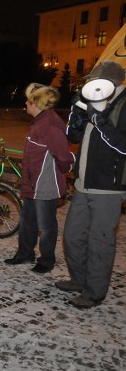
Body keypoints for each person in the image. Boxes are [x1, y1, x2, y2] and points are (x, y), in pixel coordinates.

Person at [57, 61, 126, 308]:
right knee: (73, 235)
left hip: (109, 187)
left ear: (111, 83)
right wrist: (77, 116)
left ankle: (94, 292)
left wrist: (99, 118)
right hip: (84, 184)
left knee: (100, 241)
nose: (89, 85)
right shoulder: (91, 102)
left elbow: (122, 145)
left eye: (93, 81)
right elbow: (73, 137)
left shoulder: (123, 106)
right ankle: (79, 279)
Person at [3, 83, 75, 273]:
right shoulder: (40, 121)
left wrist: (62, 174)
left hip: (45, 182)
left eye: (28, 100)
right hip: (32, 181)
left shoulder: (49, 124)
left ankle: (46, 260)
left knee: (46, 224)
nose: (25, 103)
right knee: (28, 221)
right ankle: (25, 253)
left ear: (36, 103)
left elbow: (63, 157)